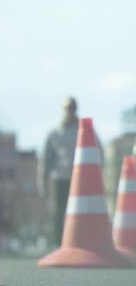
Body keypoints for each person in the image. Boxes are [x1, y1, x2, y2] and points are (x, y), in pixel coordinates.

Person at [39, 97, 102, 245]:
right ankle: (59, 243)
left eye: (73, 108)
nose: (70, 111)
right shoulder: (54, 133)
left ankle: (79, 242)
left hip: (80, 180)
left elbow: (98, 152)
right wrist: (42, 184)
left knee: (81, 212)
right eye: (68, 108)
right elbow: (45, 161)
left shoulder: (85, 130)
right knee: (58, 213)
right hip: (59, 179)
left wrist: (97, 177)